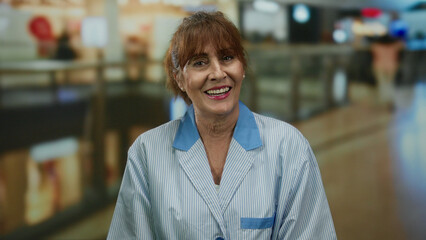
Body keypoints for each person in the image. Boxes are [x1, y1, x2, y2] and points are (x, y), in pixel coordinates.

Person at [107, 11, 336, 239]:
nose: (217, 73)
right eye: (199, 62)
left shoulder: (288, 147)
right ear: (179, 78)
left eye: (227, 57)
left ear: (242, 67)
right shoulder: (147, 153)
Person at [371, 34, 404, 109]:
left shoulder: (376, 46)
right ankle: (390, 101)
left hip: (379, 66)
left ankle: (385, 100)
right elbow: (402, 44)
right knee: (390, 83)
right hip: (392, 66)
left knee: (382, 84)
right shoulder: (395, 46)